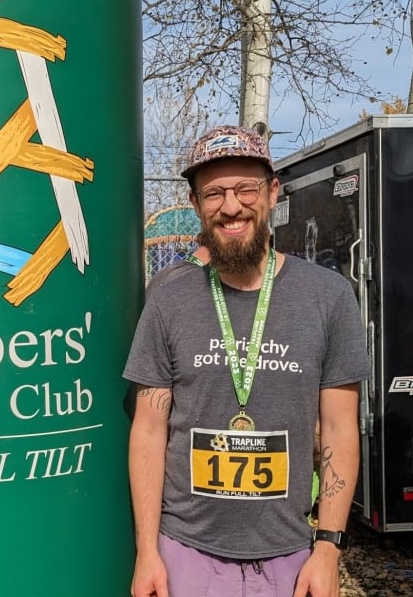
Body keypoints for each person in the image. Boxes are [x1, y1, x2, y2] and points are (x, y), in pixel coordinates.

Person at [123, 125, 371, 597]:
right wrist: (147, 551)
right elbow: (150, 429)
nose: (231, 206)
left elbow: (340, 428)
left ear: (273, 192)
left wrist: (329, 548)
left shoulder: (328, 296)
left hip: (289, 558)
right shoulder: (169, 298)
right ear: (196, 205)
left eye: (245, 188)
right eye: (214, 193)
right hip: (184, 555)